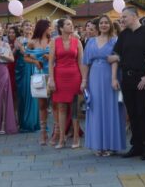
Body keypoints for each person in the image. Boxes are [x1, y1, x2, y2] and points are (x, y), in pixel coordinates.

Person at [109, 7, 145, 160]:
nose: (121, 19)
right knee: (131, 112)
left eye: (124, 16)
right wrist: (115, 75)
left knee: (142, 112)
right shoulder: (123, 35)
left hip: (142, 77)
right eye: (121, 17)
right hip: (127, 77)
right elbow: (114, 55)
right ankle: (136, 145)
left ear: (135, 16)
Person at [83, 15, 126, 156]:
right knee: (96, 109)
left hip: (109, 76)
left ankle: (110, 145)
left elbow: (115, 60)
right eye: (101, 23)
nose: (104, 25)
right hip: (94, 76)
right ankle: (98, 145)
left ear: (110, 25)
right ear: (98, 26)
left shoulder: (115, 41)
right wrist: (84, 80)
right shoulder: (90, 42)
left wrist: (114, 79)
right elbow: (86, 63)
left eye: (106, 23)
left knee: (110, 108)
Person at [49, 18, 83, 149]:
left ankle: (76, 137)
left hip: (74, 76)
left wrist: (84, 79)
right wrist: (51, 79)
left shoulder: (77, 41)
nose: (72, 26)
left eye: (72, 24)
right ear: (61, 28)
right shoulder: (54, 41)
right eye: (68, 24)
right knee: (61, 108)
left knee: (75, 108)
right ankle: (62, 138)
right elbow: (51, 62)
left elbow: (81, 62)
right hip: (59, 77)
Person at [24, 19, 53, 145]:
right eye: (49, 27)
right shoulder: (32, 42)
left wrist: (50, 57)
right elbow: (26, 57)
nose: (51, 29)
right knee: (42, 105)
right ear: (43, 27)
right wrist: (35, 61)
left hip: (52, 74)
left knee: (55, 104)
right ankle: (43, 133)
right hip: (39, 75)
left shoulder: (52, 41)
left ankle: (56, 132)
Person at [14, 20, 39, 133]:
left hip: (32, 67)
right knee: (22, 94)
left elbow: (36, 55)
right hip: (20, 68)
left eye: (30, 25)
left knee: (32, 94)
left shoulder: (35, 39)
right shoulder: (18, 39)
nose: (28, 27)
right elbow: (12, 54)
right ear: (22, 28)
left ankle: (31, 122)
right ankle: (22, 122)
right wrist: (15, 48)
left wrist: (23, 50)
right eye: (26, 25)